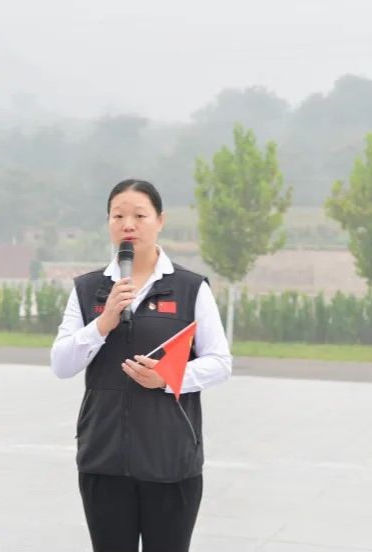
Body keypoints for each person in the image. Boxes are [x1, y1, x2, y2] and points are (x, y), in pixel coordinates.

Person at [50, 178, 232, 551]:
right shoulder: (88, 289)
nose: (128, 224)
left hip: (170, 458)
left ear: (160, 221)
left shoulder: (189, 287)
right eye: (118, 216)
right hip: (103, 457)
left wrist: (166, 378)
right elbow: (62, 364)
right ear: (108, 223)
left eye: (139, 215)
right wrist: (103, 323)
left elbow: (220, 362)